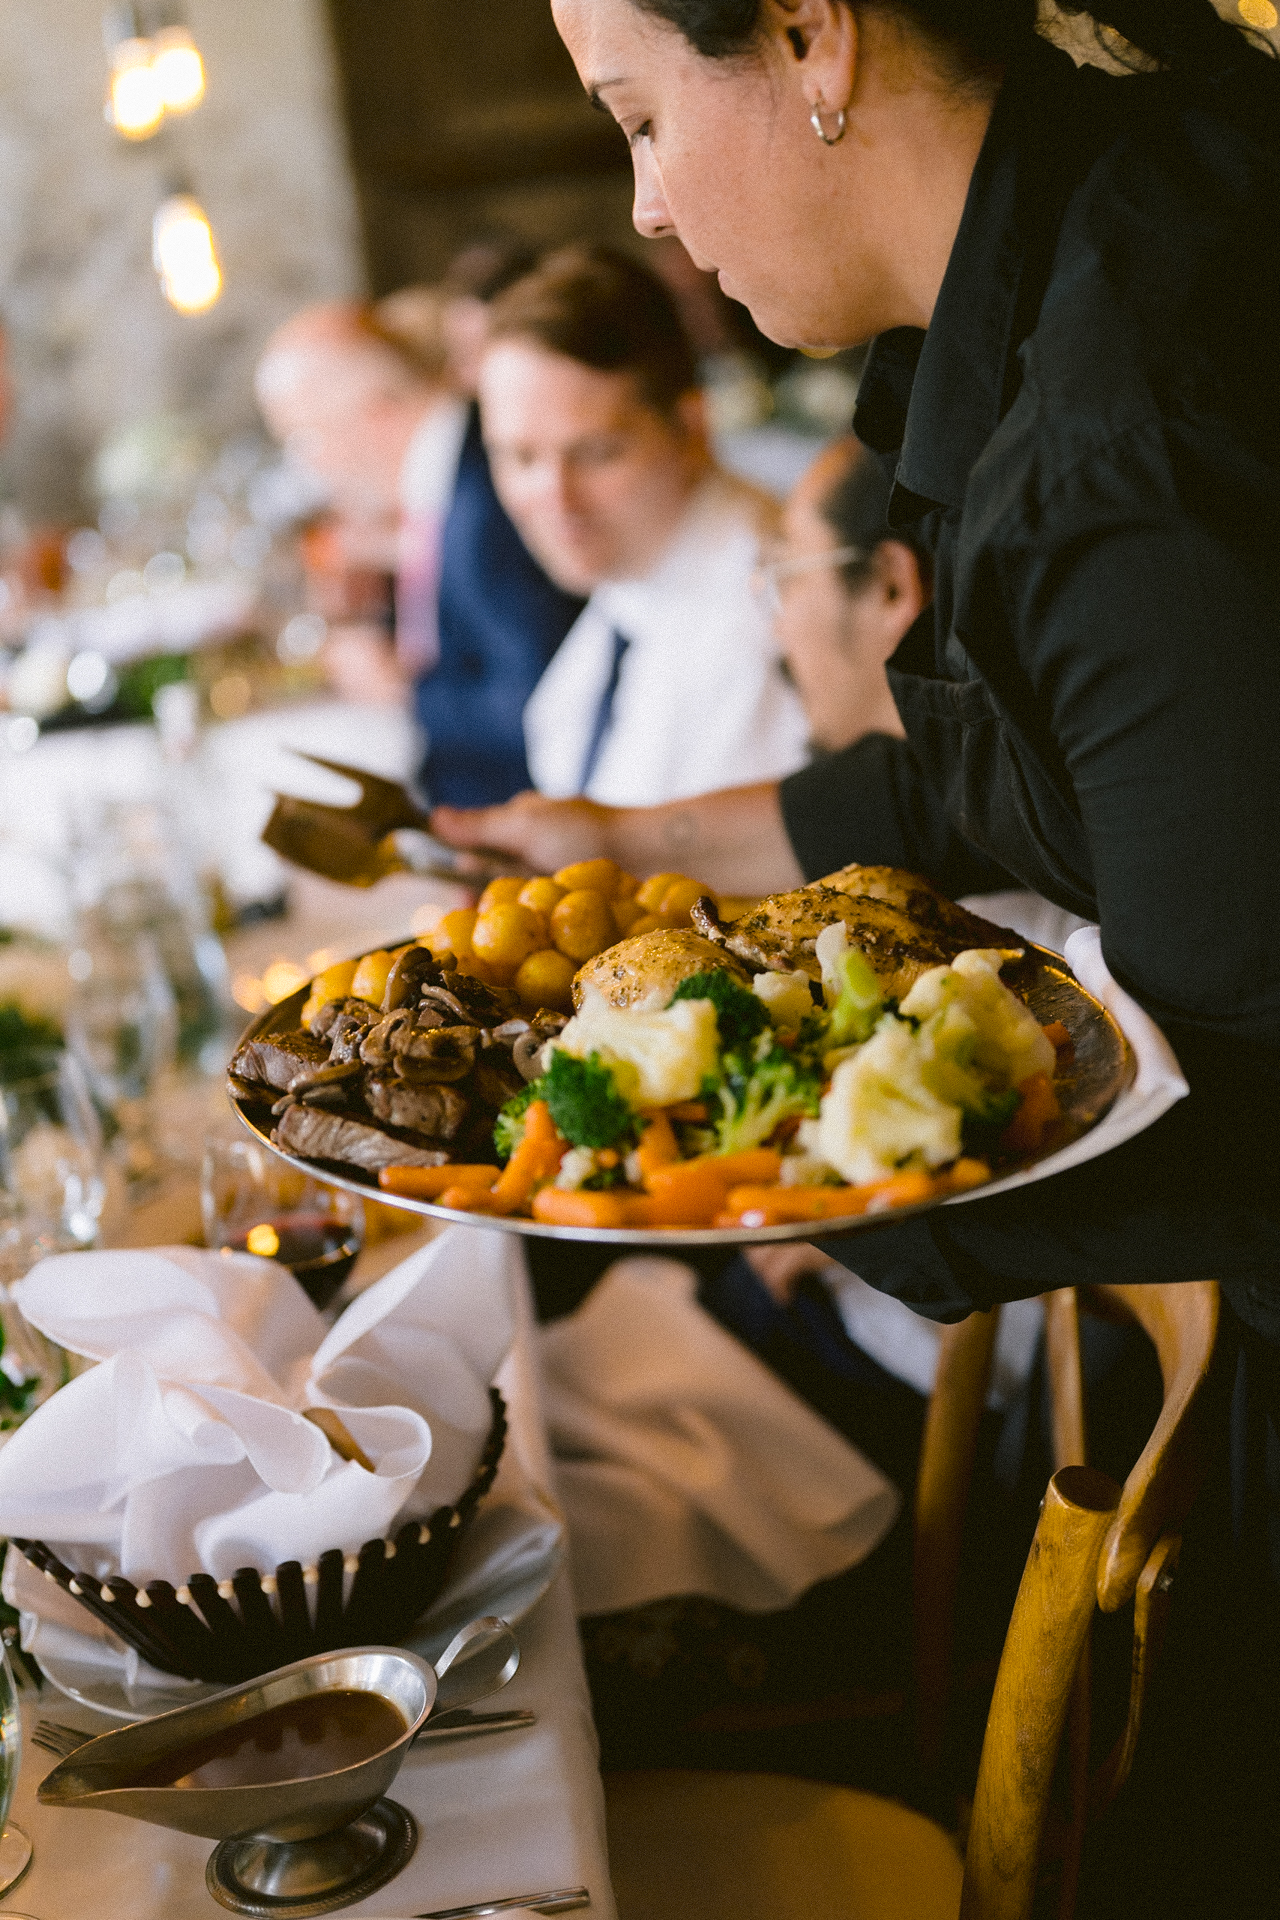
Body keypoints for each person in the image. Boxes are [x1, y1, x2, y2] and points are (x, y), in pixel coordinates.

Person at [434, 0, 1280, 1903]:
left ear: (813, 38)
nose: (646, 207)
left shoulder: (1123, 432)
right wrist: (635, 844)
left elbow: (1253, 1103)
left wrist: (737, 1190)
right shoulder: (1099, 231)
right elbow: (1034, 779)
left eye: (641, 119)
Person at [478, 245, 810, 804]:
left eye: (597, 453)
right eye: (519, 457)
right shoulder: (637, 576)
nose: (554, 498)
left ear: (692, 428)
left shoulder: (761, 615)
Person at [394, 245, 589, 808]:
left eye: (481, 354)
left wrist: (406, 694)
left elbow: (529, 698)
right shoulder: (462, 482)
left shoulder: (491, 502)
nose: (463, 378)